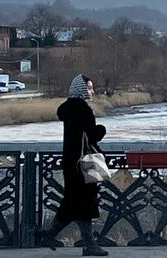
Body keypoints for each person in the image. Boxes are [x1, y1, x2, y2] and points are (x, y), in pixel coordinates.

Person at [41, 74, 108, 256]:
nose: (92, 91)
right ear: (81, 89)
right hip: (82, 163)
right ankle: (87, 245)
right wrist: (101, 130)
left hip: (71, 162)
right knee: (81, 202)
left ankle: (51, 235)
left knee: (76, 203)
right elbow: (89, 135)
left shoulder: (69, 109)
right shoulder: (82, 109)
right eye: (89, 88)